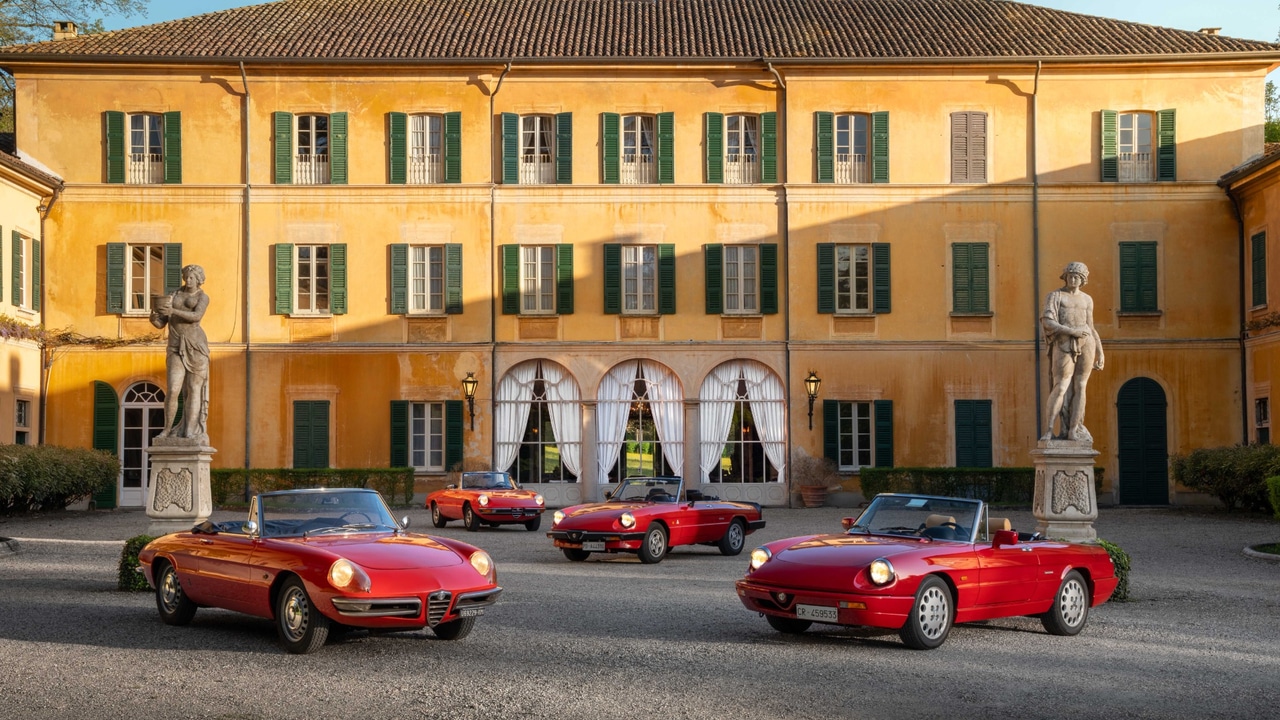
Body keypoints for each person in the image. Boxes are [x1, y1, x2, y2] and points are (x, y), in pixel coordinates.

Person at [1041, 262, 1104, 443]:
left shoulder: (1087, 299)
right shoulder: (1055, 296)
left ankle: (1073, 430)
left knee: (1081, 386)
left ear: (1083, 279)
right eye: (1070, 275)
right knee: (1060, 386)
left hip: (1087, 343)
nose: (1073, 278)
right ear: (1065, 277)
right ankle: (1049, 430)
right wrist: (1071, 331)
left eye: (1077, 276)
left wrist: (1101, 352)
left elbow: (1091, 327)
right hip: (1063, 342)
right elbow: (1048, 322)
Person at [150, 264, 210, 441]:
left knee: (193, 389)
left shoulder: (203, 297)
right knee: (173, 389)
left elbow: (196, 317)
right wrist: (154, 317)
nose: (188, 280)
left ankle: (190, 431)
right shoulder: (173, 295)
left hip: (196, 346)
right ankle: (167, 429)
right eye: (186, 276)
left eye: (192, 277)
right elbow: (161, 323)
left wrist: (173, 311)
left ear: (199, 279)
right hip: (175, 345)